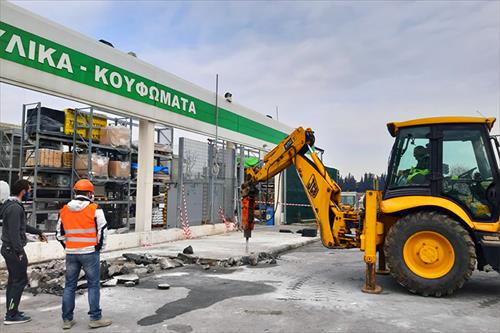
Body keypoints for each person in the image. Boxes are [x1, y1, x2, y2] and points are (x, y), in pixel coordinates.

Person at [56, 179, 111, 330]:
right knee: (93, 285)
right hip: (89, 252)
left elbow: (58, 234)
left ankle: (67, 320)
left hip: (71, 253)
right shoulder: (95, 209)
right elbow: (103, 230)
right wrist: (99, 248)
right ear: (89, 193)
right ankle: (95, 318)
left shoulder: (65, 209)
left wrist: (68, 246)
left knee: (69, 286)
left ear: (75, 193)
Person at [0, 179, 48, 325]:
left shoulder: (10, 205)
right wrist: (19, 252)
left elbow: (21, 225)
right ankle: (11, 315)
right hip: (13, 250)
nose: (30, 192)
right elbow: (15, 232)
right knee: (19, 281)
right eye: (29, 190)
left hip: (9, 249)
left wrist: (38, 231)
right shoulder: (15, 208)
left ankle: (12, 310)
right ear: (23, 191)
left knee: (13, 281)